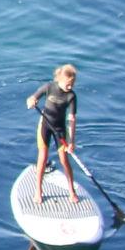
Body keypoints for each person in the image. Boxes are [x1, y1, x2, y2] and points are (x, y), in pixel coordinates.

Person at [26, 63, 80, 204]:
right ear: (60, 80)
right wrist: (32, 102)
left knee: (64, 160)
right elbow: (31, 99)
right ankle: (38, 190)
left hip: (60, 130)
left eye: (73, 84)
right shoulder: (49, 87)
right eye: (68, 84)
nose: (71, 87)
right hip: (45, 126)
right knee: (42, 158)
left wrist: (72, 142)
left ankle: (71, 191)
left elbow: (72, 119)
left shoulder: (72, 96)